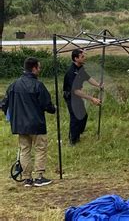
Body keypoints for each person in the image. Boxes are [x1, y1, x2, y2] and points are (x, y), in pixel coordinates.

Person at [1, 57, 56, 187]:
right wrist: (53, 109)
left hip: (19, 125)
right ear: (34, 68)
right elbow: (46, 104)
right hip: (36, 124)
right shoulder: (38, 85)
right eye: (39, 67)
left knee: (24, 150)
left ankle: (27, 178)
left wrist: (10, 115)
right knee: (40, 149)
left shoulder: (14, 85)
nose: (40, 70)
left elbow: (4, 104)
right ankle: (39, 176)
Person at [63, 49, 102, 145]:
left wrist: (98, 85)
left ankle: (76, 134)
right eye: (82, 57)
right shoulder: (71, 72)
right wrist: (92, 98)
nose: (85, 58)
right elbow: (76, 91)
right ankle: (73, 141)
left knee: (83, 116)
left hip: (76, 95)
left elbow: (88, 78)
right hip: (71, 96)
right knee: (75, 117)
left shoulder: (80, 68)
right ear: (76, 58)